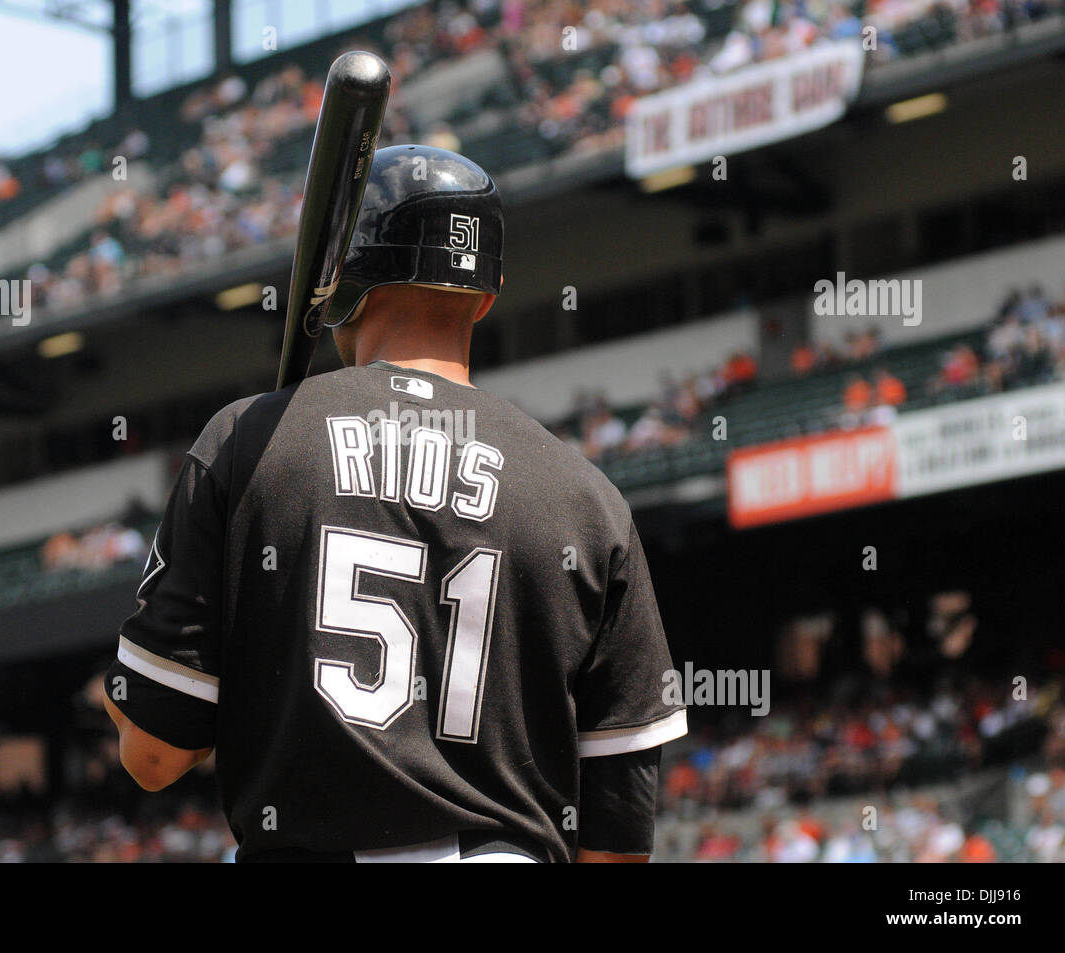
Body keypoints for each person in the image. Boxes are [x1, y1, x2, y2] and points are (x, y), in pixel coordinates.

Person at [103, 145, 686, 863]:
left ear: (342, 278)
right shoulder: (589, 501)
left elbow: (153, 755)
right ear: (489, 291)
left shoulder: (248, 441)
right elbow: (617, 844)